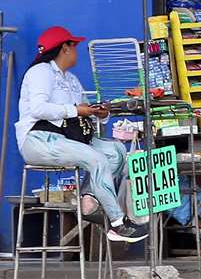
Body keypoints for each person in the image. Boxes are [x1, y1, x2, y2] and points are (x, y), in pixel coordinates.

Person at [15, 26, 148, 243]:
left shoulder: (72, 80)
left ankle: (89, 199)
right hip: (38, 140)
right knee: (95, 158)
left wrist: (99, 113)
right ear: (64, 48)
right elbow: (39, 108)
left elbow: (81, 111)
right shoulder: (40, 72)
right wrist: (76, 109)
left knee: (116, 152)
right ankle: (117, 223)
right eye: (73, 46)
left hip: (69, 138)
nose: (77, 51)